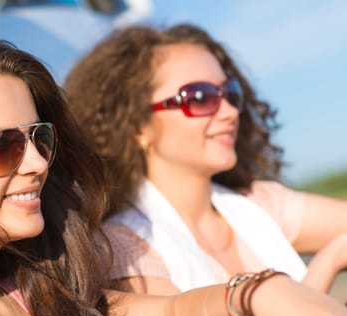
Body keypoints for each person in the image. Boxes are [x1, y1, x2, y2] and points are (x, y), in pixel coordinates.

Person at [0, 36, 347, 316]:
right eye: (1, 146)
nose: (37, 163)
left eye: (39, 138)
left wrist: (260, 292)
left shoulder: (37, 295)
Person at [64, 23, 347, 296]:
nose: (229, 112)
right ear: (138, 126)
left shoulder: (259, 206)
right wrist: (330, 260)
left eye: (230, 93)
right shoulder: (126, 248)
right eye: (200, 97)